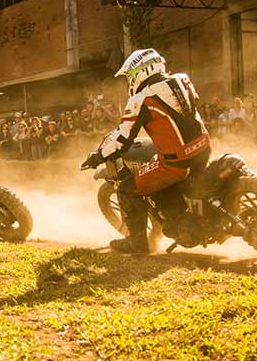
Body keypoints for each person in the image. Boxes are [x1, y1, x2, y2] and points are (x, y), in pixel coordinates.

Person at [81, 48, 212, 253]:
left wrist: (97, 156)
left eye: (129, 77)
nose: (129, 82)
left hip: (176, 163)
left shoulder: (140, 99)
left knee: (126, 188)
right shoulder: (182, 80)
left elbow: (123, 138)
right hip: (203, 150)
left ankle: (137, 243)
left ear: (139, 72)